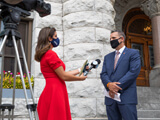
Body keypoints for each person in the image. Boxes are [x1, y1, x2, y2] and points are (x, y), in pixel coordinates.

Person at [34, 27, 87, 120]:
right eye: (55, 36)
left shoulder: (45, 54)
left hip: (52, 90)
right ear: (50, 38)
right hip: (55, 92)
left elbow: (61, 74)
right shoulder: (50, 54)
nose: (57, 38)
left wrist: (80, 70)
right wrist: (80, 78)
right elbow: (63, 76)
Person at [100, 30, 141, 120]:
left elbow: (133, 72)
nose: (111, 40)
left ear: (121, 39)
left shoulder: (133, 53)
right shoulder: (108, 57)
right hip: (110, 98)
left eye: (113, 38)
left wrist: (115, 86)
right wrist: (109, 85)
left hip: (126, 97)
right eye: (110, 38)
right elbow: (103, 74)